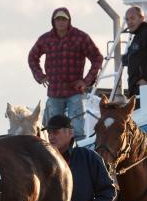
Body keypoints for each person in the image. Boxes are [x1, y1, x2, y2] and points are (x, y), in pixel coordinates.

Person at [28, 7, 103, 140]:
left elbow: (97, 57)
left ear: (69, 21)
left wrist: (86, 81)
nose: (61, 22)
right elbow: (32, 57)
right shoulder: (45, 39)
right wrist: (41, 76)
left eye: (64, 19)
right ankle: (54, 155)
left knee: (77, 130)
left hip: (75, 90)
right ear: (53, 21)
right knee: (53, 129)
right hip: (54, 91)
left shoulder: (80, 37)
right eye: (58, 19)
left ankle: (77, 151)